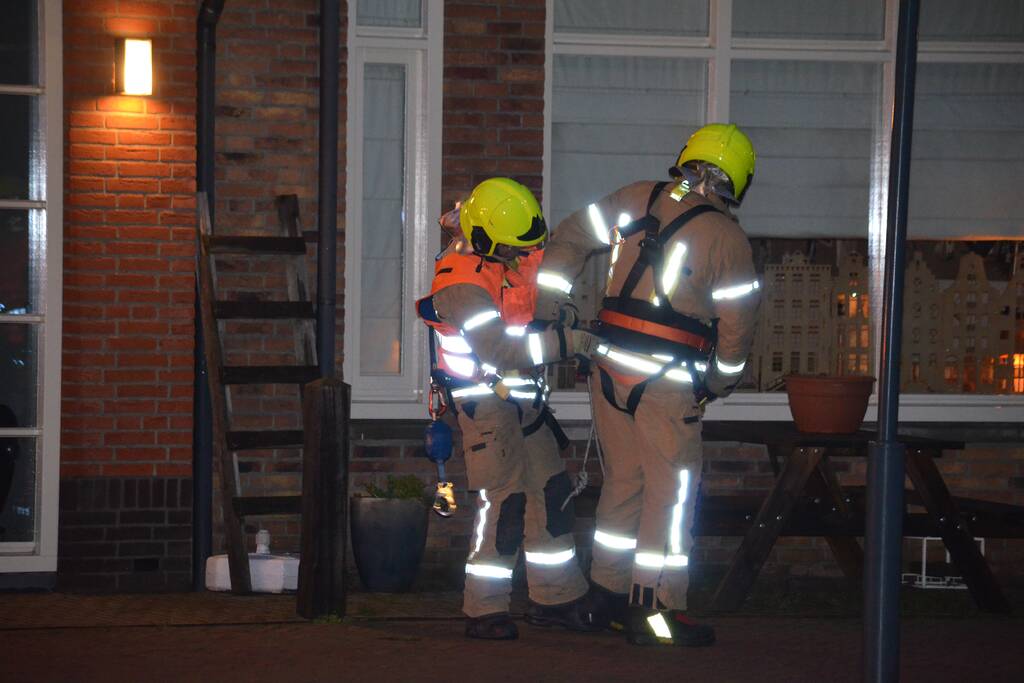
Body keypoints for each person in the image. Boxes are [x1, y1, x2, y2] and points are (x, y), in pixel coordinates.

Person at [533, 123, 761, 646]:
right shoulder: (728, 240)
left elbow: (569, 238)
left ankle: (607, 596)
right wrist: (716, 383)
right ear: (738, 180)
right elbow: (737, 333)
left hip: (608, 370)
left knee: (624, 483)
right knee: (671, 496)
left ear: (687, 157)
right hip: (667, 382)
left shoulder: (637, 197)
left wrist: (552, 309)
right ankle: (656, 610)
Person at [416, 177, 603, 640]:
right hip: (483, 401)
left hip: (524, 398)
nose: (523, 256)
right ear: (483, 239)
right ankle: (484, 609)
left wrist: (562, 315)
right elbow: (500, 350)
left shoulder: (509, 251)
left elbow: (543, 295)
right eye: (514, 250)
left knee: (551, 493)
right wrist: (569, 342)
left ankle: (557, 599)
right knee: (506, 502)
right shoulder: (459, 282)